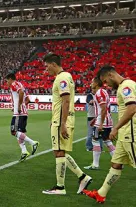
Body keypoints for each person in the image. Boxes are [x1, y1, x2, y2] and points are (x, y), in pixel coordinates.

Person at [83, 66, 136, 203]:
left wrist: (115, 128)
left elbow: (131, 109)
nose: (106, 84)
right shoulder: (126, 86)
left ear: (111, 75)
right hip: (125, 135)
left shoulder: (126, 86)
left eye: (106, 80)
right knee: (116, 164)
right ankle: (101, 193)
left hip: (131, 134)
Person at [41, 54, 92, 195]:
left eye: (47, 66)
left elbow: (66, 101)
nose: (46, 70)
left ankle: (60, 187)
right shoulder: (67, 76)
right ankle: (83, 177)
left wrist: (62, 123)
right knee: (59, 151)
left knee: (59, 152)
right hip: (61, 119)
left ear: (53, 64)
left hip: (62, 121)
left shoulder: (62, 78)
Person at [5, 73, 39, 162]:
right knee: (19, 134)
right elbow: (27, 99)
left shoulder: (14, 84)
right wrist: (22, 105)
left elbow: (21, 92)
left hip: (18, 113)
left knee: (14, 132)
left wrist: (19, 106)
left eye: (7, 81)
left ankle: (33, 143)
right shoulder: (20, 85)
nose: (7, 83)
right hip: (22, 113)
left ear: (10, 79)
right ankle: (24, 151)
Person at [84, 77, 115, 170]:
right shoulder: (104, 91)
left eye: (92, 82)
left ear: (97, 83)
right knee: (107, 141)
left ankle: (95, 164)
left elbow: (104, 108)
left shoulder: (99, 93)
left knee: (95, 140)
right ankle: (117, 161)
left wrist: (100, 123)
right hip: (105, 120)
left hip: (103, 121)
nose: (91, 84)